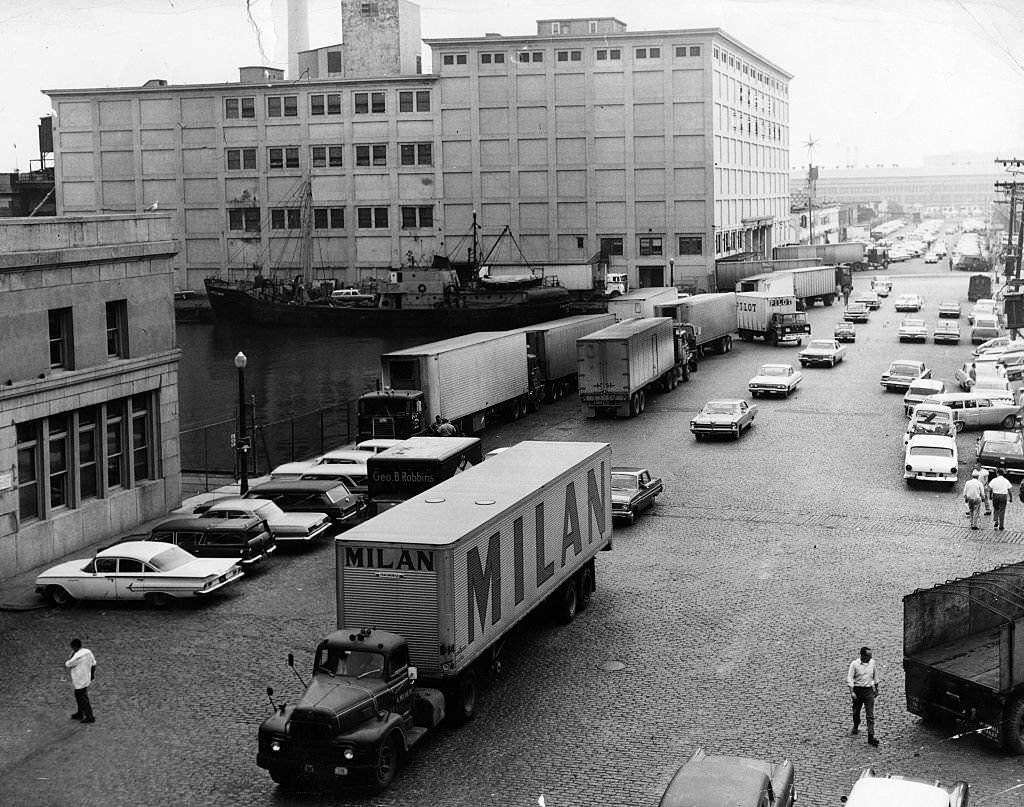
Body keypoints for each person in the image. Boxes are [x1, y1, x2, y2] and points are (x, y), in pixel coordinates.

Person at [846, 646, 880, 746]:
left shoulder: (872, 663)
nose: (870, 658)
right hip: (858, 690)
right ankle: (856, 725)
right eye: (868, 656)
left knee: (870, 715)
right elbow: (850, 679)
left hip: (869, 691)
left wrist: (876, 688)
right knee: (856, 711)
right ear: (862, 656)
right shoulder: (854, 664)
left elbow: (875, 676)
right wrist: (852, 692)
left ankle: (871, 736)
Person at [65, 638, 97, 724]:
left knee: (82, 697)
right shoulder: (88, 652)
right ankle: (80, 713)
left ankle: (89, 716)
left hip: (79, 680)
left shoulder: (77, 656)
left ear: (74, 647)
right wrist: (92, 674)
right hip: (86, 677)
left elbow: (68, 664)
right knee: (79, 695)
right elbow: (94, 664)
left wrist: (72, 655)